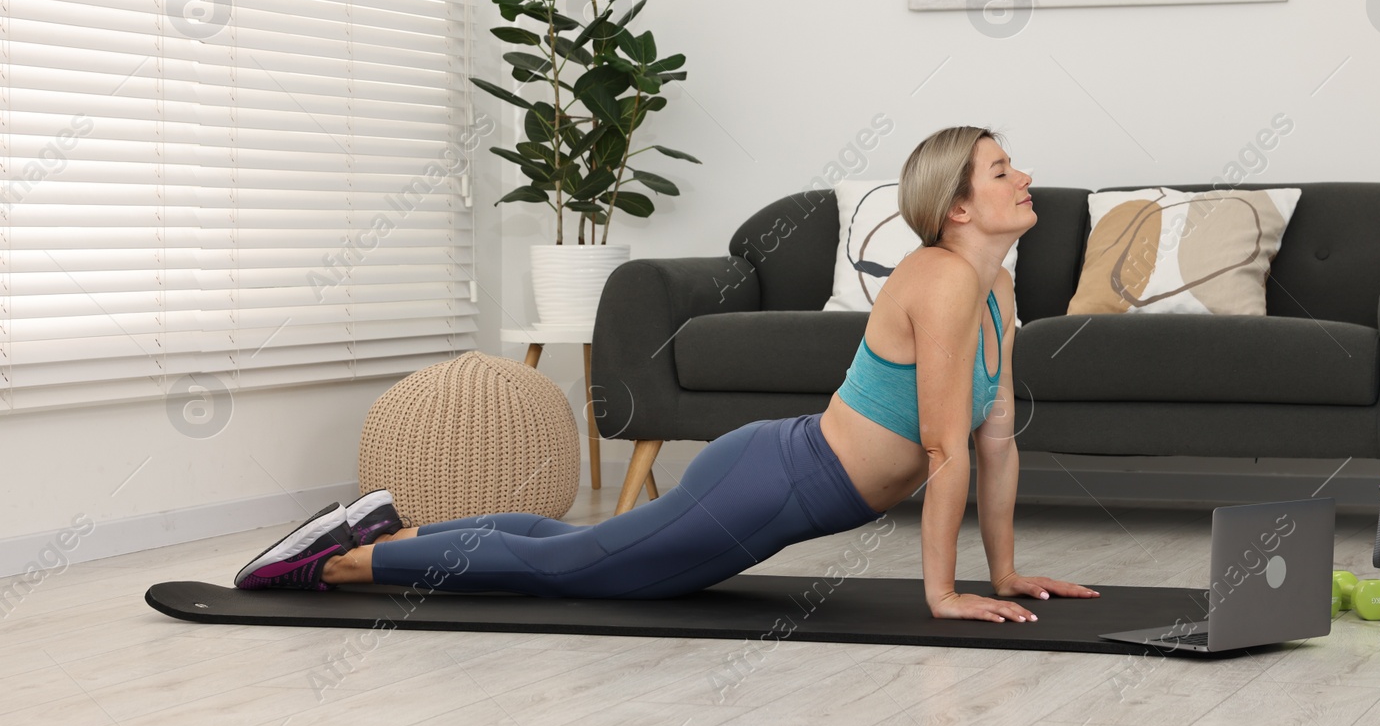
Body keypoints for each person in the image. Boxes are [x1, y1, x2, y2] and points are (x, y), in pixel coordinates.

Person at [233, 125, 1100, 622]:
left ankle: (386, 528)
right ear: (956, 205)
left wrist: (1008, 571)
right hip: (773, 484)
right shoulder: (942, 279)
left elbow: (994, 446)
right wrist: (945, 594)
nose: (1024, 176)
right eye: (1001, 169)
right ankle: (340, 566)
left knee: (573, 548)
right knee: (573, 572)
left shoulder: (995, 293)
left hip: (781, 471)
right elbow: (943, 451)